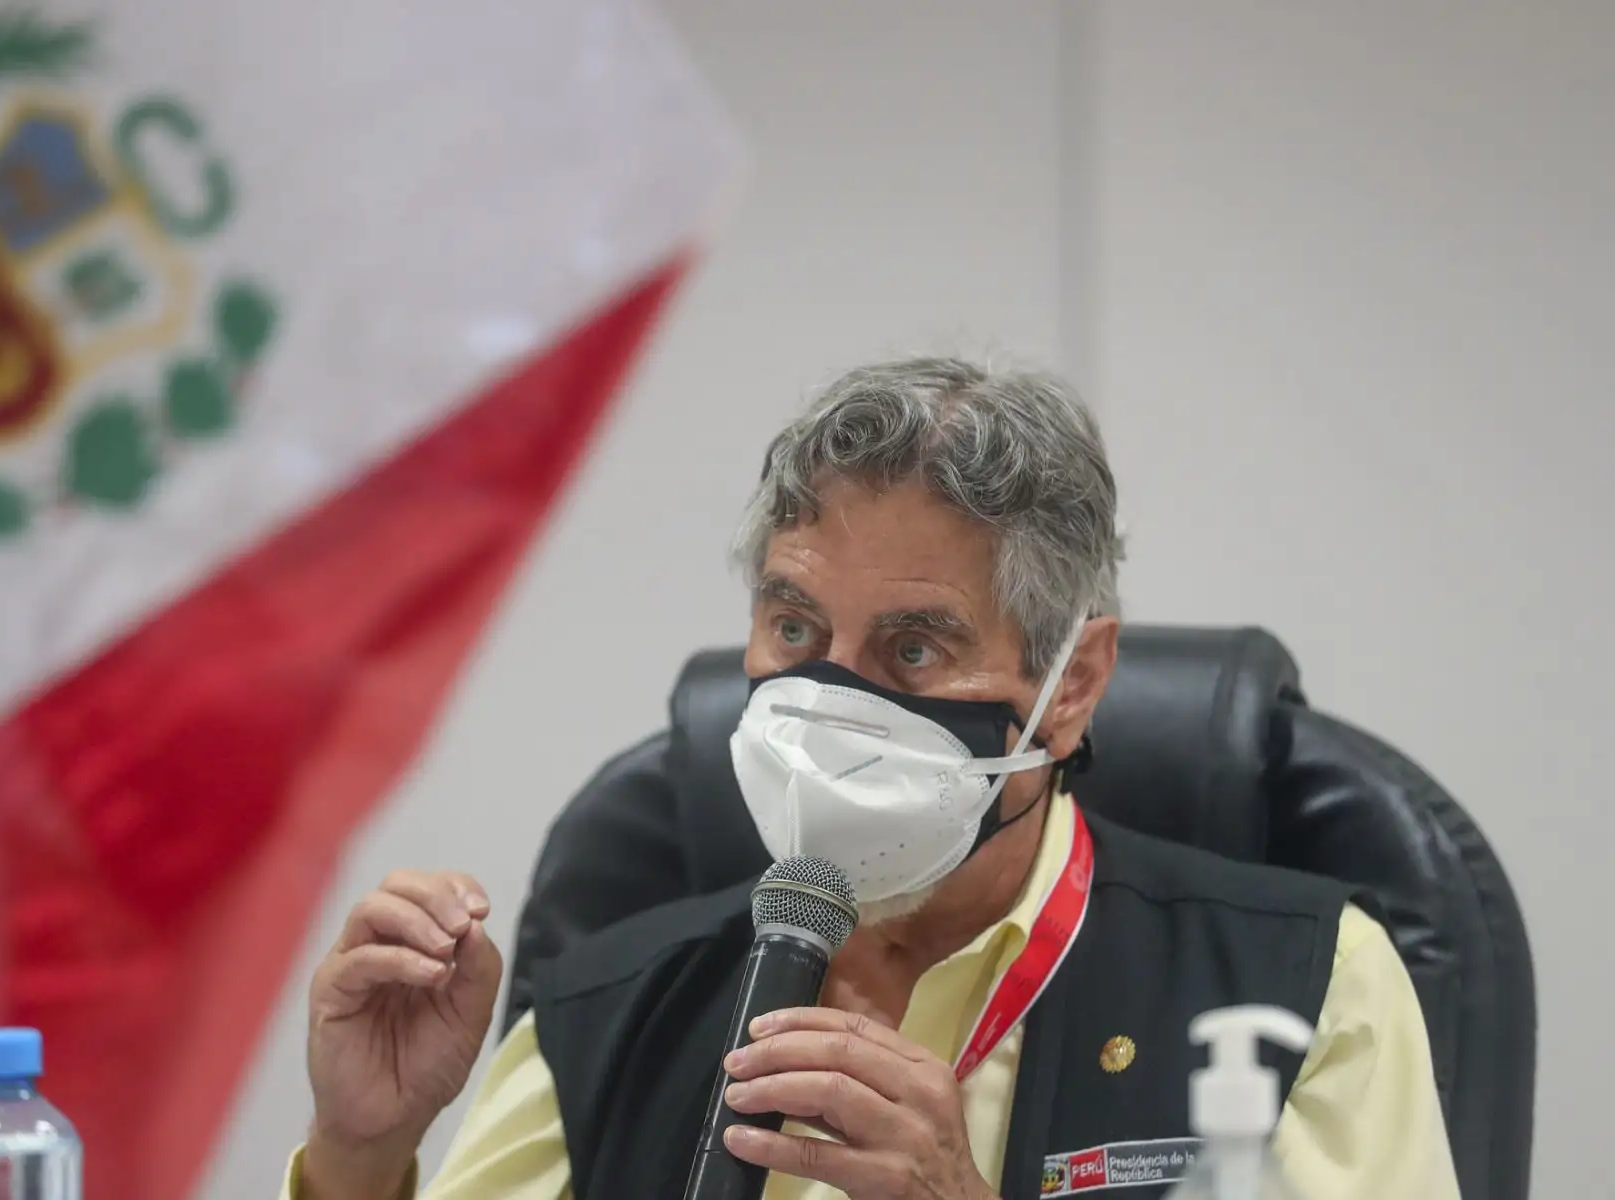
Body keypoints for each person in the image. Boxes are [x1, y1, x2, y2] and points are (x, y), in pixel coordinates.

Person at [280, 358, 1460, 1200]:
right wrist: (359, 1154)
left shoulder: (1298, 986)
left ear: (1076, 682)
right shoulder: (604, 1013)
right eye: (794, 631)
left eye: (911, 648)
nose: (833, 701)